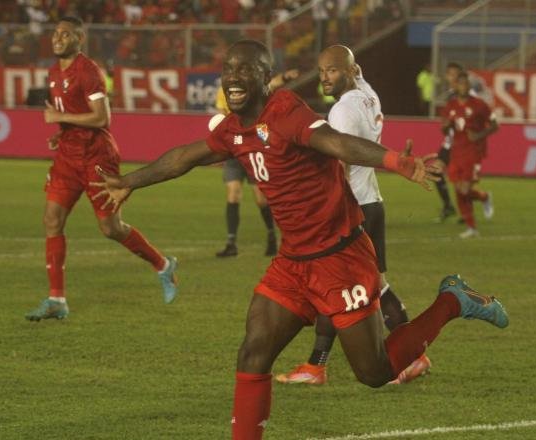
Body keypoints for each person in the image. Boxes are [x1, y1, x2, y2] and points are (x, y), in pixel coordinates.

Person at [92, 40, 509, 439]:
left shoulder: (286, 111)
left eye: (244, 69)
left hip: (340, 257)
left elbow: (336, 142)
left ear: (265, 76)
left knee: (375, 372)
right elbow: (185, 156)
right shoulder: (236, 128)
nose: (233, 77)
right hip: (293, 263)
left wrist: (397, 162)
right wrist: (130, 180)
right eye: (227, 70)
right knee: (252, 354)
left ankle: (452, 301)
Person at [275, 45, 430, 386]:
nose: (324, 78)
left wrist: (319, 203)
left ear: (348, 70)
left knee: (345, 287)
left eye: (331, 71)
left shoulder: (342, 111)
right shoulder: (367, 94)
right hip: (370, 200)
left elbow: (339, 161)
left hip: (351, 208)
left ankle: (407, 355)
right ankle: (320, 365)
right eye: (321, 72)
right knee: (358, 286)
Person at [24, 16, 178, 322]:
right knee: (52, 219)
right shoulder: (54, 72)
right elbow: (74, 114)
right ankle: (57, 300)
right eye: (55, 33)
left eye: (65, 34)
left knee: (110, 228)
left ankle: (163, 265)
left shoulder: (89, 70)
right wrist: (62, 129)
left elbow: (101, 118)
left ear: (79, 39)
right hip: (68, 157)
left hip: (96, 157)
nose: (58, 38)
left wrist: (57, 118)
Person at [214, 69, 298, 258]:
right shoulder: (222, 92)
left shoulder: (254, 91)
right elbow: (223, 119)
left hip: (253, 153)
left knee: (261, 199)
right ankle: (231, 243)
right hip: (235, 153)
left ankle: (271, 236)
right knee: (233, 194)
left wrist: (284, 77)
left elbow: (271, 86)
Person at [441, 71, 498, 239]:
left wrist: (479, 135)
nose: (463, 87)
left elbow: (495, 125)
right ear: (456, 86)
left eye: (466, 84)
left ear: (469, 86)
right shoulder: (450, 106)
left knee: (464, 189)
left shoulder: (480, 105)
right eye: (460, 84)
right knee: (459, 190)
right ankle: (472, 227)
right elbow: (444, 128)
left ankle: (484, 197)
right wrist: (446, 126)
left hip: (473, 152)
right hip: (456, 151)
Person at [432, 61, 463, 222]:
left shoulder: (467, 96)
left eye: (455, 74)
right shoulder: (451, 95)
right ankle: (448, 206)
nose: (451, 77)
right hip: (450, 142)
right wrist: (446, 125)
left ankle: (471, 208)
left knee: (462, 181)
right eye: (449, 74)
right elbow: (447, 121)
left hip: (463, 144)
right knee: (435, 170)